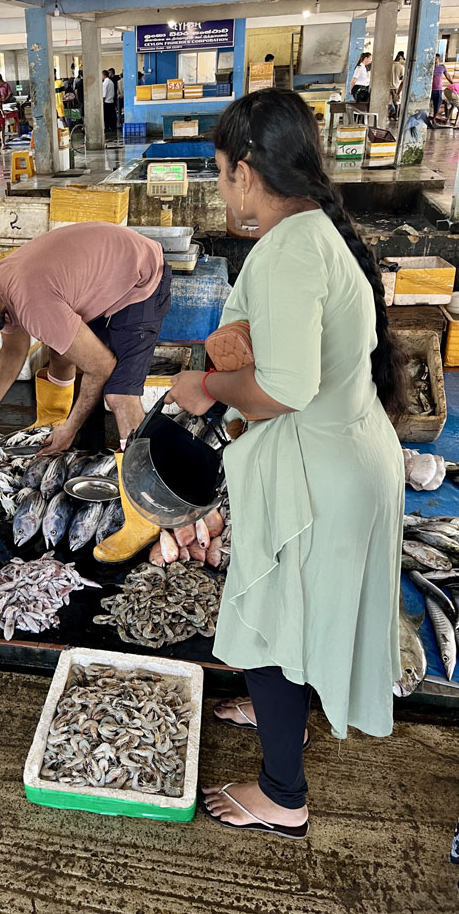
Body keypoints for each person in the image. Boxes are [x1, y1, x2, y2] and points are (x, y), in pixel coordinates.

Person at [166, 88, 404, 839]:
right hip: (342, 455)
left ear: (245, 171)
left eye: (220, 173)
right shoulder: (316, 232)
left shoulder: (289, 249)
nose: (222, 188)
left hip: (320, 476)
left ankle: (282, 795)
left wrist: (204, 388)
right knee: (295, 611)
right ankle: (282, 718)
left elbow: (284, 389)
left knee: (267, 619)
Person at [0, 223, 172, 561]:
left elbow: (101, 366)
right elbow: (14, 349)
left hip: (140, 280)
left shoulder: (31, 302)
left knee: (120, 395)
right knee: (60, 350)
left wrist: (71, 427)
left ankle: (144, 515)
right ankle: (56, 425)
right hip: (109, 268)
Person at [432, 53, 451, 120]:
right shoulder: (430, 67)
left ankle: (434, 118)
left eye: (436, 59)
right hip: (430, 89)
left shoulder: (442, 67)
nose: (435, 60)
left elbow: (447, 76)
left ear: (438, 59)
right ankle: (430, 118)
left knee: (437, 104)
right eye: (434, 59)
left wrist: (452, 83)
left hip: (438, 89)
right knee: (431, 104)